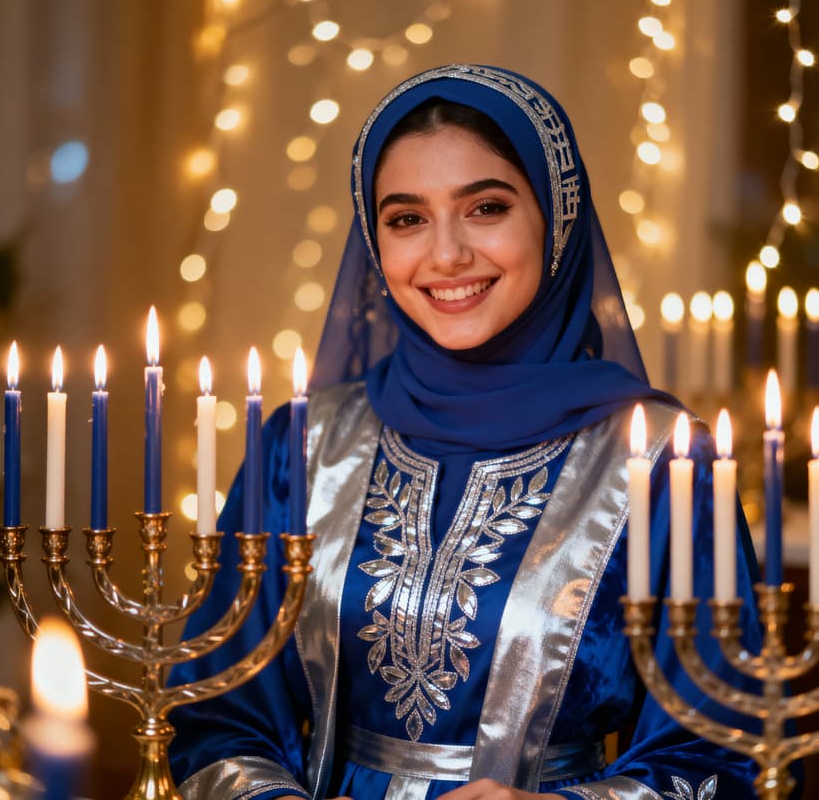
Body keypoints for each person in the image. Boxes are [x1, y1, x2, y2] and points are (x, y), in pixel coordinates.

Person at [168, 64, 768, 799]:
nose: (447, 255)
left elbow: (726, 756)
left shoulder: (662, 460)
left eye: (486, 208)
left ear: (555, 218)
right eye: (407, 219)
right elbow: (212, 715)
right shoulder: (304, 446)